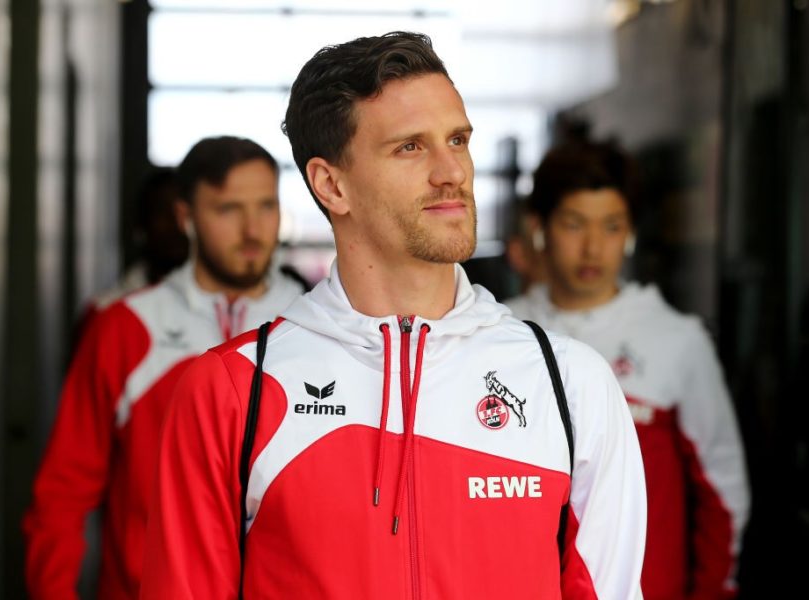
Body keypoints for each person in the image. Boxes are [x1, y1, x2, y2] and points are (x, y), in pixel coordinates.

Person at [141, 32, 646, 599]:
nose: (451, 170)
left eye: (457, 139)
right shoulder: (233, 391)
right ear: (332, 185)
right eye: (411, 147)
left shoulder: (571, 385)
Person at [22, 136, 305, 600]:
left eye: (266, 206)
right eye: (229, 209)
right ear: (186, 218)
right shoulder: (126, 326)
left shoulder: (309, 323)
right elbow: (61, 496)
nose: (253, 230)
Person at [507, 140, 750, 599]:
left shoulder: (677, 340)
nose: (593, 247)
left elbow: (723, 493)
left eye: (612, 226)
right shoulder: (500, 333)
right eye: (574, 224)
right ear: (539, 229)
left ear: (631, 232)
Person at [73, 167, 189, 343]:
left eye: (185, 214)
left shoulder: (228, 310)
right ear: (141, 223)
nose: (175, 224)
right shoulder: (105, 311)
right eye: (162, 212)